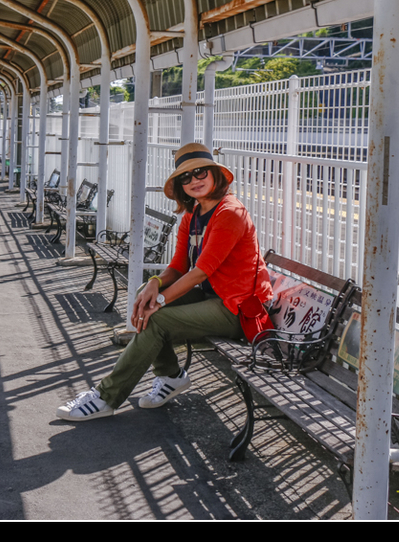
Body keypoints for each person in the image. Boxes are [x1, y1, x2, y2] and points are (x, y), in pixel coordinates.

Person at [56, 142, 273, 421]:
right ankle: (170, 377)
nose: (194, 180)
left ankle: (107, 396)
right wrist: (153, 285)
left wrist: (159, 301)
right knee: (141, 295)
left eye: (201, 173)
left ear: (215, 175)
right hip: (212, 298)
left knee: (156, 317)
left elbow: (200, 272)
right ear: (180, 184)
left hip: (238, 308)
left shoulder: (229, 213)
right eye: (186, 176)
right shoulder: (193, 216)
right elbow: (178, 267)